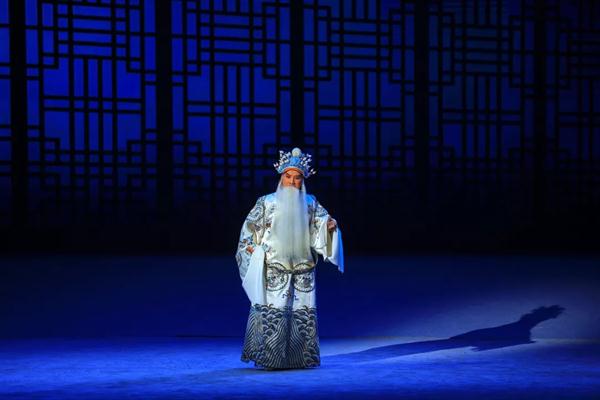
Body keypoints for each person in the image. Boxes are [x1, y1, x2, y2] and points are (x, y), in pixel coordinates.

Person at [235, 147, 344, 370]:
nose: (292, 182)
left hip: (303, 267)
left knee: (302, 315)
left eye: (297, 178)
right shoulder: (266, 202)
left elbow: (321, 226)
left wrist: (329, 227)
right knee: (273, 314)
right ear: (281, 177)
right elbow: (249, 231)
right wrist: (254, 250)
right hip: (273, 266)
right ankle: (270, 359)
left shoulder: (311, 203)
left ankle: (300, 358)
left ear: (303, 180)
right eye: (288, 177)